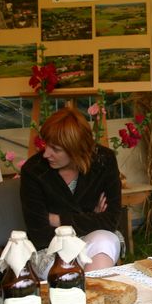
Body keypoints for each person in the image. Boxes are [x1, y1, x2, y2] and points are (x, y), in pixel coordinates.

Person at [20, 106, 121, 271]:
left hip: (94, 240)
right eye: (46, 145)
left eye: (56, 149)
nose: (46, 154)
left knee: (104, 241)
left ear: (76, 149)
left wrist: (58, 219)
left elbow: (110, 221)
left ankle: (96, 287)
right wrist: (90, 217)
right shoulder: (34, 171)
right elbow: (40, 233)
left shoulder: (104, 161)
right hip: (51, 249)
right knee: (70, 270)